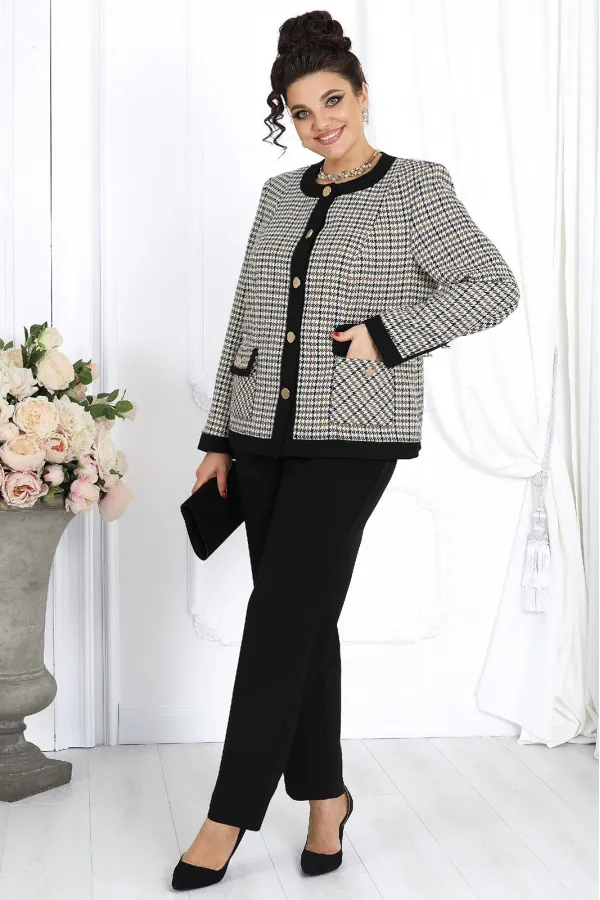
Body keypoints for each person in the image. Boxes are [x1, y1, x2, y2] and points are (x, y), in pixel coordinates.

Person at [172, 9, 520, 892]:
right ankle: (326, 799)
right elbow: (246, 317)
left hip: (354, 437)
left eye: (333, 100)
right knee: (301, 618)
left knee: (279, 617)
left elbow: (493, 285)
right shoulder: (277, 196)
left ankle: (228, 814)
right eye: (301, 111)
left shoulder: (417, 188)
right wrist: (217, 438)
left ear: (363, 94)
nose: (320, 122)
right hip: (260, 434)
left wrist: (388, 334)